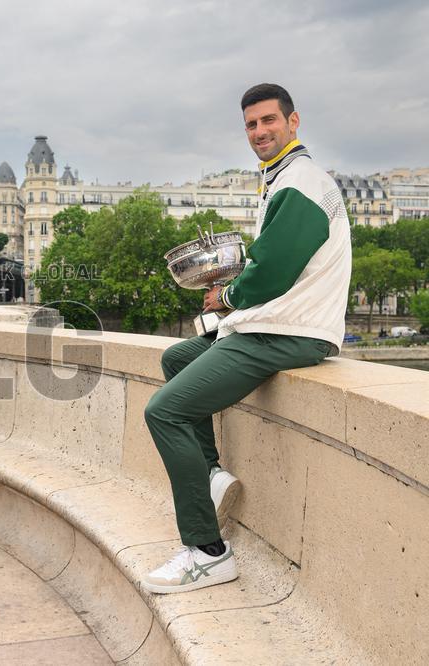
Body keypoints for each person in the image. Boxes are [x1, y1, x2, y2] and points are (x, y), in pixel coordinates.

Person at [141, 83, 351, 594]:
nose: (259, 132)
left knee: (164, 411)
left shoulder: (299, 182)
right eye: (251, 125)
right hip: (278, 325)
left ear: (293, 121)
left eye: (268, 121)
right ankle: (211, 475)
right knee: (178, 357)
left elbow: (274, 272)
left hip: (282, 331)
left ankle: (207, 552)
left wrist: (227, 298)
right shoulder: (284, 179)